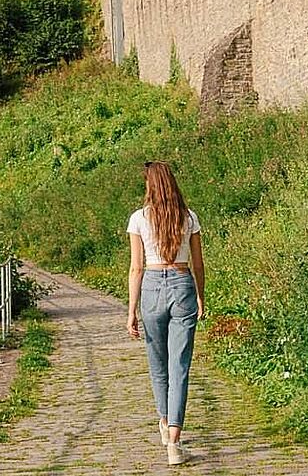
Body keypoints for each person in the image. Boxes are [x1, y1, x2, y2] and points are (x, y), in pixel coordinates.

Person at [127, 161, 205, 466]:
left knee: (157, 364)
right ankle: (174, 440)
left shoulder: (138, 219)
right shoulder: (188, 217)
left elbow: (136, 267)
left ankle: (164, 421)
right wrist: (200, 295)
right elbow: (198, 264)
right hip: (183, 283)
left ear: (150, 185)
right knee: (180, 365)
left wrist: (131, 310)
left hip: (151, 287)